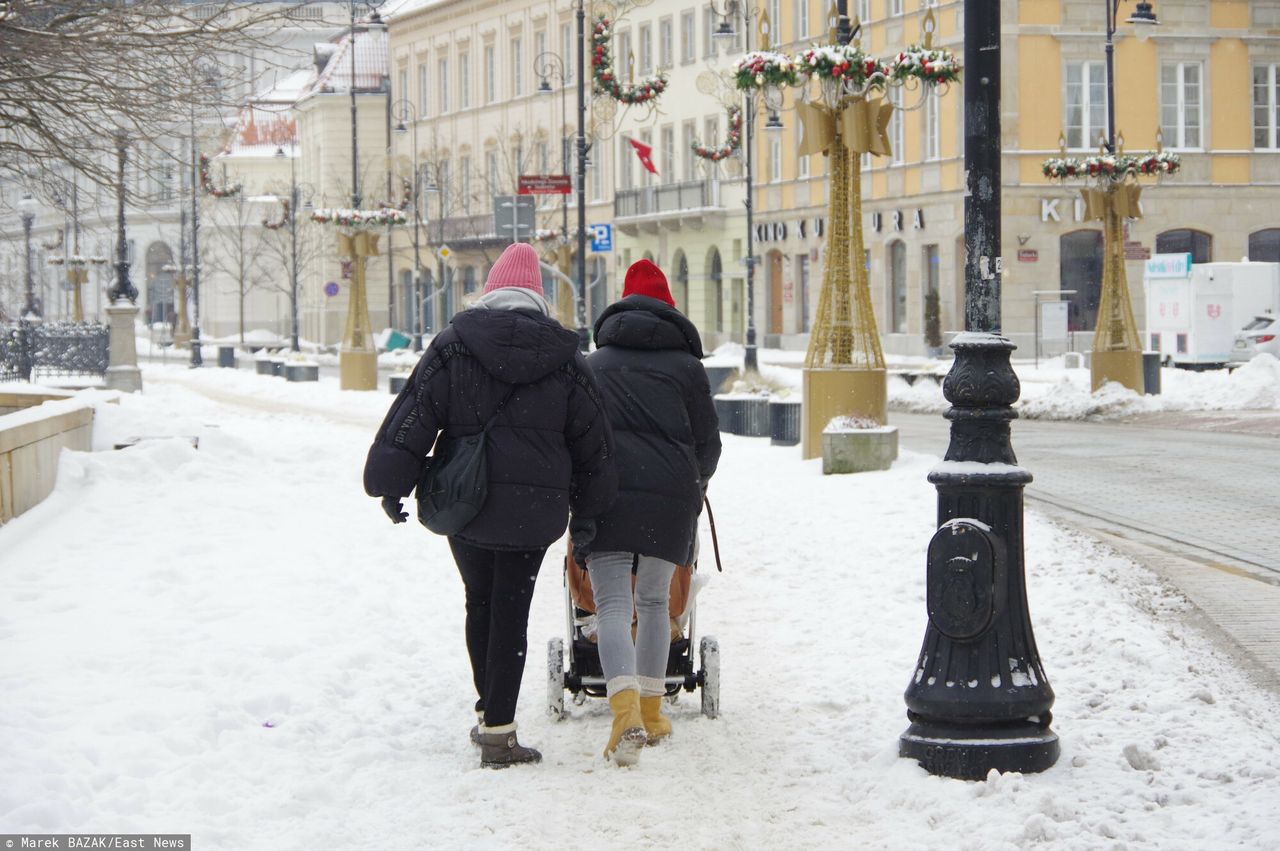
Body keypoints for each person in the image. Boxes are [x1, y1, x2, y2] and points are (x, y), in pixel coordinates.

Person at [364, 242, 616, 769]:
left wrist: (392, 482)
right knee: (511, 610)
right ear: (538, 298)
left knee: (479, 600)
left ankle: (490, 714)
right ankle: (499, 727)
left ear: (489, 291)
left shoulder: (454, 345)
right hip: (535, 512)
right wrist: (589, 514)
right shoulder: (567, 356)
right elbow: (594, 443)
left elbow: (414, 416)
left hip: (466, 502)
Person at [571, 259, 721, 766]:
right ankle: (654, 714)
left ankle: (624, 715)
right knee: (656, 602)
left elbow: (579, 437)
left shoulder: (592, 366)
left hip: (605, 493)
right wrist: (692, 481)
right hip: (670, 497)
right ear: (669, 309)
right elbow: (709, 445)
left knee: (612, 605)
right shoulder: (687, 368)